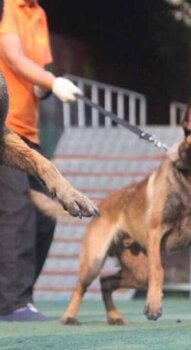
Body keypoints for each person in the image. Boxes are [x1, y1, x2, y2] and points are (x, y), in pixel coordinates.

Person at [0, 0, 81, 322]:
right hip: (7, 131)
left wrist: (45, 86)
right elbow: (13, 57)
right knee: (17, 213)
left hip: (30, 129)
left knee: (45, 216)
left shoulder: (38, 13)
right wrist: (52, 82)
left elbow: (36, 66)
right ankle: (13, 303)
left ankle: (15, 296)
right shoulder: (8, 8)